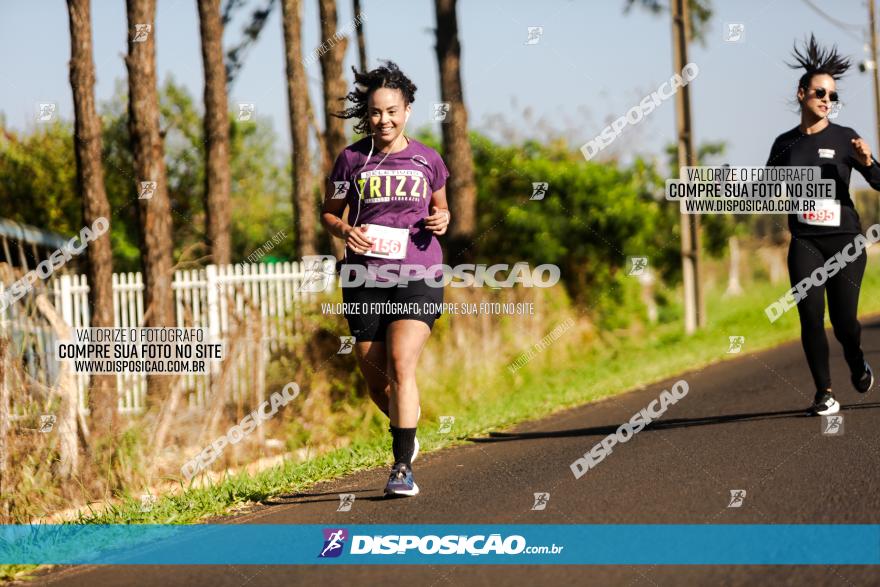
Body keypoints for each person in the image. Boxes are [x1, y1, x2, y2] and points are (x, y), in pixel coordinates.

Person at [321, 61, 451, 496]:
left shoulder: (427, 158)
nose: (384, 120)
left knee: (401, 363)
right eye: (376, 113)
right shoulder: (351, 160)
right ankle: (406, 431)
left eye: (392, 111)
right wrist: (345, 230)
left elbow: (441, 208)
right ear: (367, 115)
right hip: (364, 275)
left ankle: (401, 467)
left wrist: (442, 219)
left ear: (408, 110)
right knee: (377, 379)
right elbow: (329, 212)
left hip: (418, 271)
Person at [766, 35, 880, 415]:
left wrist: (866, 161)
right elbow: (765, 189)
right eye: (819, 92)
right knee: (811, 316)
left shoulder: (847, 138)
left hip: (845, 242)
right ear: (801, 94)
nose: (826, 100)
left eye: (832, 96)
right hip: (806, 241)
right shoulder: (784, 143)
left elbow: (879, 181)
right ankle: (824, 392)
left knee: (844, 321)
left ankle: (856, 359)